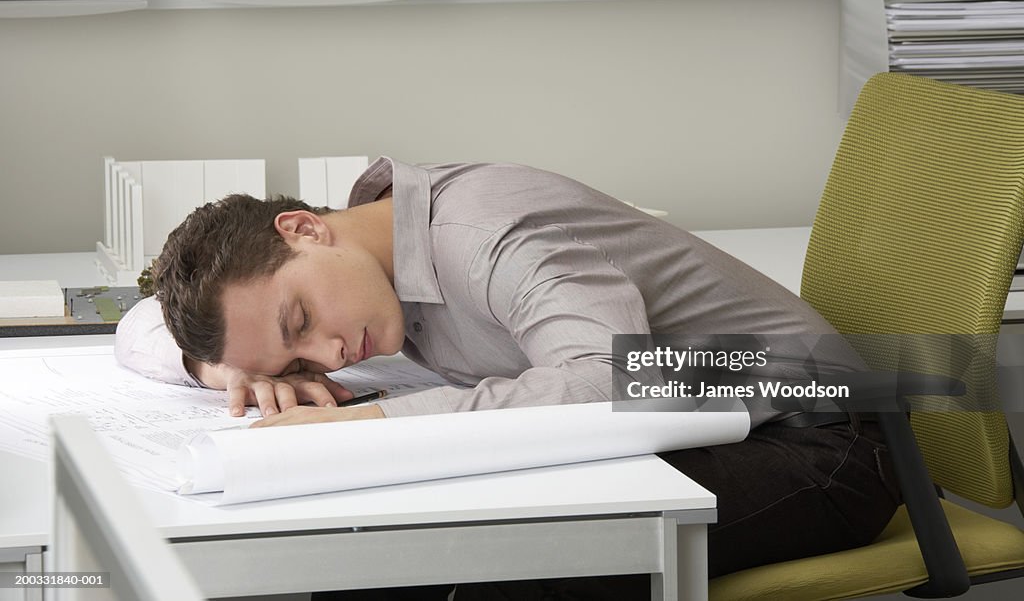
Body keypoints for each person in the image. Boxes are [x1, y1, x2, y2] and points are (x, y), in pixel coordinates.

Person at [115, 157, 901, 599]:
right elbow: (135, 328)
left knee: (493, 575)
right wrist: (231, 365)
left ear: (304, 228)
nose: (329, 355)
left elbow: (602, 384)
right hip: (685, 432)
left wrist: (367, 424)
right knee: (377, 568)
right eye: (298, 361)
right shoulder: (367, 264)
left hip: (816, 439)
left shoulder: (487, 234)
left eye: (298, 326)